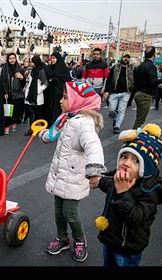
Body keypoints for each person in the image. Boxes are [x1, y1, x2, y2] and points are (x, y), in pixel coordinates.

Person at [39, 81, 106, 262]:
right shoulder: (68, 118)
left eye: (65, 97)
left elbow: (93, 146)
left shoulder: (84, 123)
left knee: (70, 212)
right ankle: (63, 239)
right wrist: (43, 134)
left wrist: (94, 171)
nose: (61, 101)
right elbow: (54, 134)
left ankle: (79, 240)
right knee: (58, 211)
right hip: (61, 174)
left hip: (74, 177)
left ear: (78, 101)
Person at [91, 123, 162, 266]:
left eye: (136, 160)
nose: (127, 163)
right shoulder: (121, 178)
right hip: (111, 238)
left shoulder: (150, 191)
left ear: (147, 167)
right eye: (124, 156)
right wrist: (99, 181)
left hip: (128, 247)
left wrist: (123, 192)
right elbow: (110, 185)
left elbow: (136, 218)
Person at [132, 46, 162, 129]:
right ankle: (133, 137)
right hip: (145, 95)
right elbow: (153, 81)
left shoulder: (140, 66)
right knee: (140, 120)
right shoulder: (151, 66)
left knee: (139, 118)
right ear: (154, 55)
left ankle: (134, 136)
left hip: (138, 94)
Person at [103, 51, 135, 134]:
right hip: (114, 92)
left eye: (128, 57)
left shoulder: (132, 68)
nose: (126, 59)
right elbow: (109, 79)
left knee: (121, 110)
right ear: (122, 57)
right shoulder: (115, 67)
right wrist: (107, 91)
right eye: (125, 57)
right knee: (112, 110)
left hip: (126, 93)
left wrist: (132, 93)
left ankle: (117, 126)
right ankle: (115, 119)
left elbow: (135, 81)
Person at [44, 52, 72, 128]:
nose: (52, 60)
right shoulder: (48, 68)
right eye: (51, 58)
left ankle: (57, 124)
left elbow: (66, 80)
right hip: (49, 92)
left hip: (59, 92)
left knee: (57, 109)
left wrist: (55, 79)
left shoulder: (63, 69)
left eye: (54, 58)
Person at [0, 52, 25, 134]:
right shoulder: (5, 69)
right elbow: (2, 81)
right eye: (10, 58)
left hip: (17, 93)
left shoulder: (20, 69)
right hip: (8, 93)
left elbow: (24, 83)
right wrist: (4, 92)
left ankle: (14, 123)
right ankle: (6, 126)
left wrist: (22, 78)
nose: (12, 60)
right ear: (8, 59)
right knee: (7, 110)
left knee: (16, 110)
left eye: (13, 58)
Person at [24, 55, 48, 136]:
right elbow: (30, 83)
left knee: (38, 113)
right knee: (31, 112)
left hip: (37, 95)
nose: (31, 63)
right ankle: (31, 128)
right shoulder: (32, 71)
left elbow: (45, 83)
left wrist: (38, 91)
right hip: (31, 95)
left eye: (33, 62)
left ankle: (40, 128)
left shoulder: (41, 71)